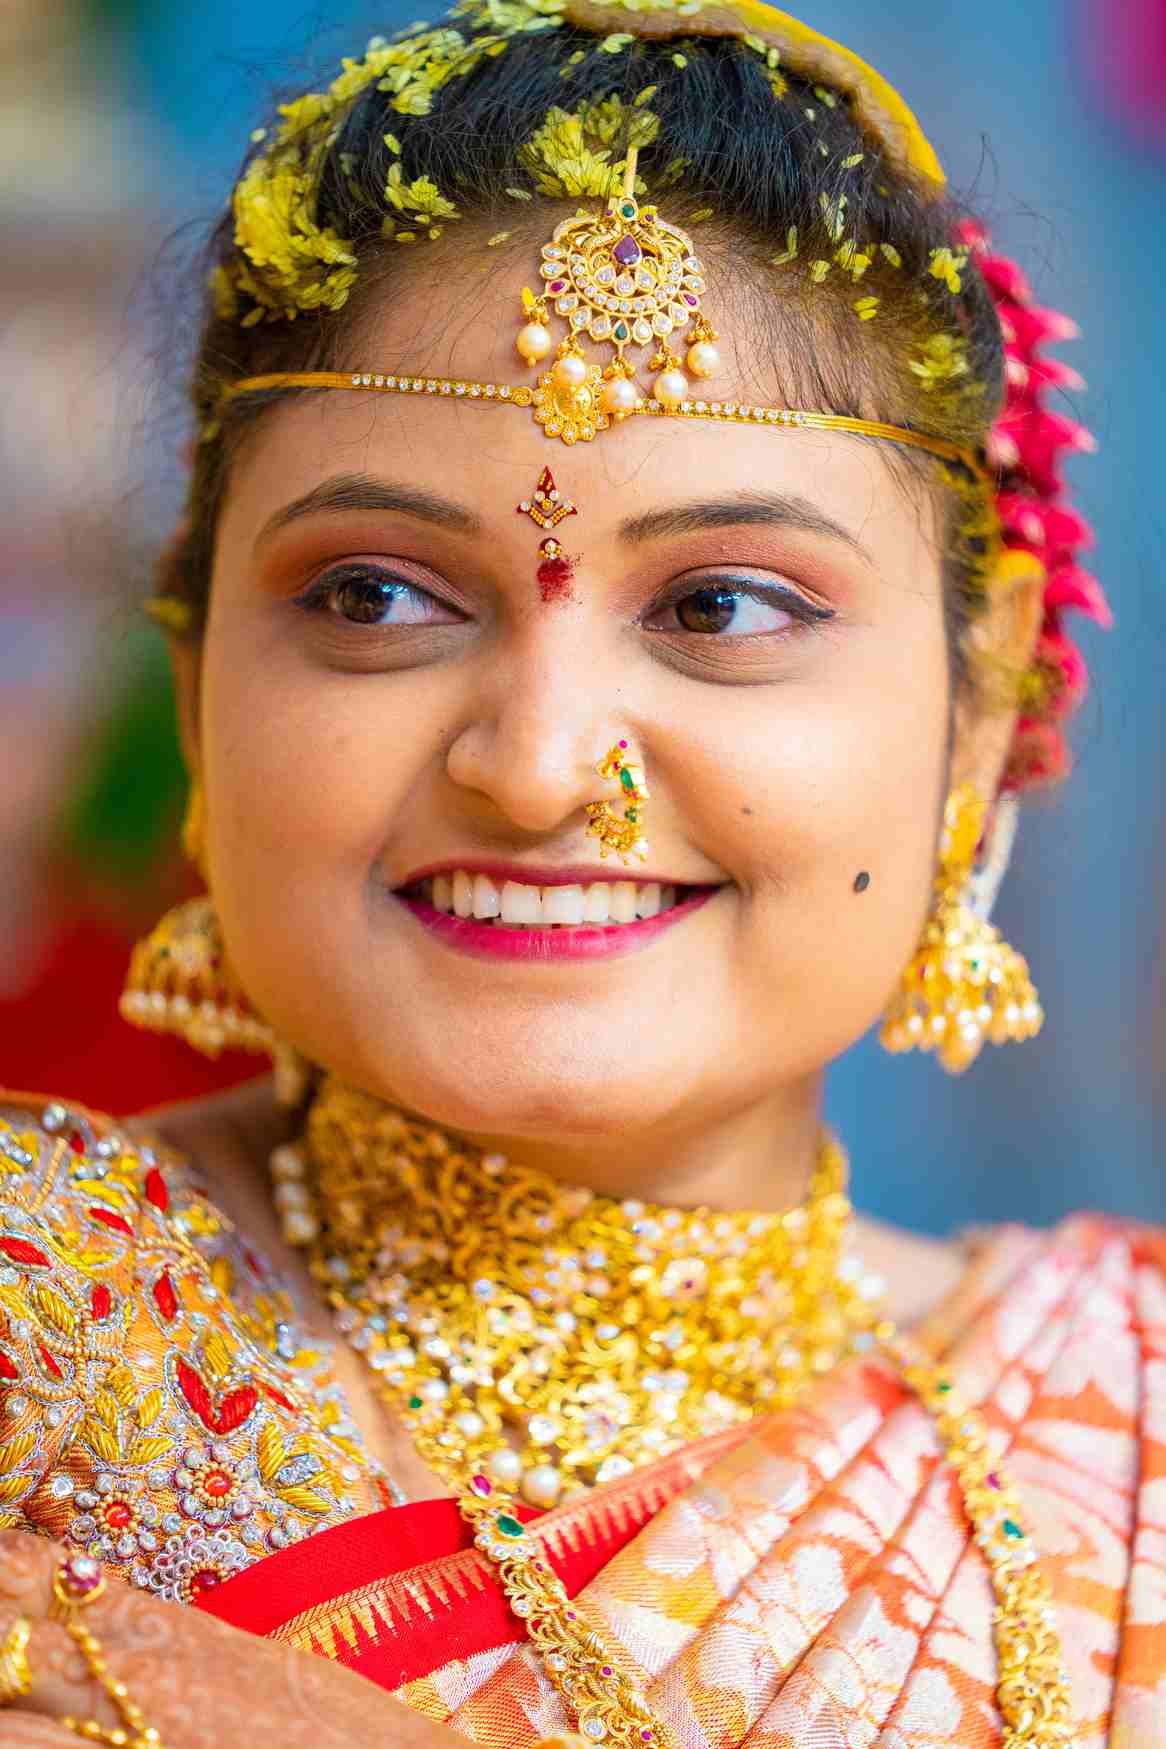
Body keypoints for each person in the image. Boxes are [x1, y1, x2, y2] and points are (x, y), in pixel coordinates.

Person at [0, 0, 1153, 1743]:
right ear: (194, 671)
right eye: (375, 595)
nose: (536, 767)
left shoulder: (1121, 1437)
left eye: (720, 607)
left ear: (983, 708)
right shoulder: (43, 1345)